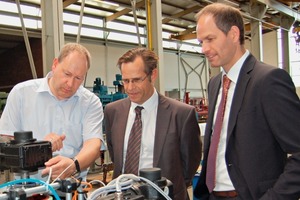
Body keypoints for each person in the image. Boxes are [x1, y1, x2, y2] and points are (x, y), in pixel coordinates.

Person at [193, 3, 300, 200]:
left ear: (233, 34)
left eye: (210, 39)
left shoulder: (268, 80)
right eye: (201, 41)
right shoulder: (215, 83)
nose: (204, 49)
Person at [104, 47, 202, 200]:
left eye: (136, 80)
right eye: (126, 81)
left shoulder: (181, 114)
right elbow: (115, 155)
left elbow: (190, 164)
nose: (130, 87)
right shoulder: (112, 112)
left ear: (153, 74)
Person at [0, 43, 104, 181]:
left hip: (71, 188)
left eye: (78, 78)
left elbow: (93, 146)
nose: (70, 83)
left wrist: (73, 165)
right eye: (67, 74)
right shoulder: (21, 93)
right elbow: (5, 144)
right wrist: (39, 148)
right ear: (55, 64)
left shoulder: (90, 102)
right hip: (29, 188)